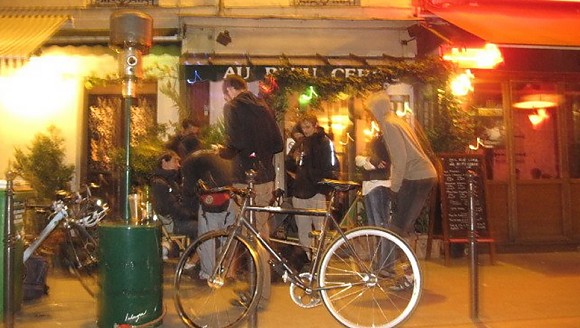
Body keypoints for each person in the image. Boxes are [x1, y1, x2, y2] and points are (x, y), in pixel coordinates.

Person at [218, 74, 284, 307]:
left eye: (225, 93)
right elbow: (279, 144)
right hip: (266, 179)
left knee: (250, 239)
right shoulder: (263, 107)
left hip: (245, 180)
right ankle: (261, 293)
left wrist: (222, 152)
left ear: (231, 90)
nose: (225, 97)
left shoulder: (233, 107)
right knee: (261, 236)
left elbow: (236, 143)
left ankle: (257, 296)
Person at [366, 92, 437, 288]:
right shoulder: (398, 120)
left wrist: (394, 187)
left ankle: (409, 276)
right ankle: (409, 274)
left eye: (371, 110)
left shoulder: (388, 123)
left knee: (398, 228)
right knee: (404, 227)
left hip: (416, 177)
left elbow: (400, 158)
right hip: (422, 175)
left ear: (377, 108)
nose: (371, 115)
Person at [286, 113, 339, 262]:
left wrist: (317, 181)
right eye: (303, 127)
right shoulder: (301, 142)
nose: (305, 130)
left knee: (319, 228)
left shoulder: (324, 142)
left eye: (308, 127)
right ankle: (310, 259)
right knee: (304, 230)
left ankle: (321, 259)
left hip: (316, 190)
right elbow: (288, 163)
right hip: (301, 190)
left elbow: (330, 166)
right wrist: (294, 163)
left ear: (315, 126)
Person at [181, 148, 235, 280]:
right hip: (231, 195)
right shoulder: (211, 155)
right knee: (229, 236)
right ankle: (227, 270)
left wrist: (191, 211)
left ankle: (208, 273)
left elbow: (189, 189)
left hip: (212, 198)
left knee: (207, 238)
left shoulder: (188, 164)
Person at [150, 150, 198, 241]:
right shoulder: (160, 184)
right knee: (202, 228)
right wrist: (192, 215)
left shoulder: (171, 182)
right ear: (164, 162)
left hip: (178, 220)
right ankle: (197, 255)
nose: (178, 165)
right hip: (173, 223)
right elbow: (172, 208)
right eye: (175, 161)